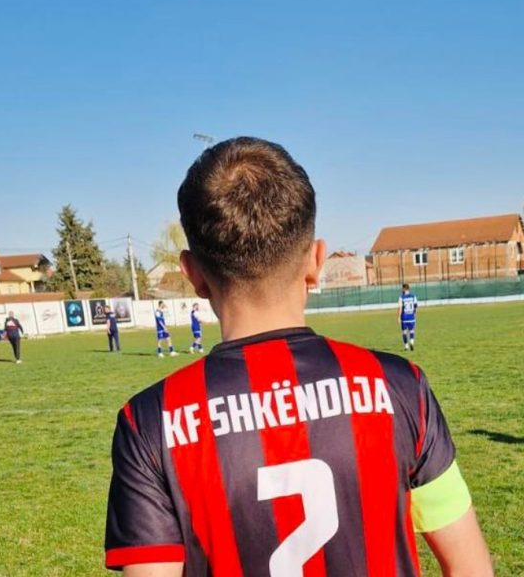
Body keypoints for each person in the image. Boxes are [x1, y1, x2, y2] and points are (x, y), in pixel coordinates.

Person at [104, 137, 493, 577]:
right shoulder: (401, 388)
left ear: (192, 274)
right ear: (315, 261)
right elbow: (471, 567)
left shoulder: (150, 422)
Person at [398, 283, 418, 351]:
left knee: (404, 332)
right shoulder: (413, 296)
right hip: (411, 316)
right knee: (412, 331)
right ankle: (411, 342)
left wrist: (398, 317)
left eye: (402, 289)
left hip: (404, 317)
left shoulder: (401, 297)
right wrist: (414, 313)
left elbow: (400, 308)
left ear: (404, 289)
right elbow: (415, 306)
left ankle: (406, 346)